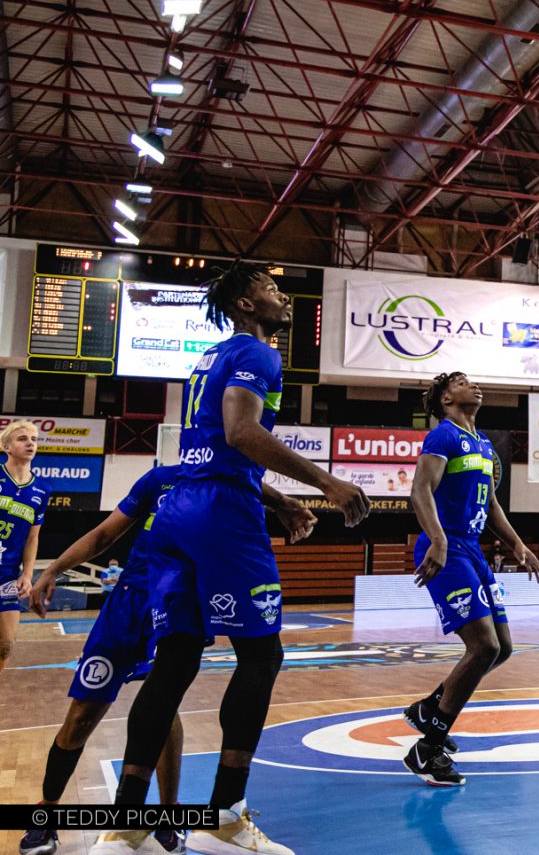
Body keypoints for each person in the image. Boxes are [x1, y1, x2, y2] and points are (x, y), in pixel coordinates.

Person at [107, 263, 370, 855]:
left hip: (180, 509)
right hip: (222, 517)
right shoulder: (259, 352)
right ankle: (224, 819)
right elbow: (241, 433)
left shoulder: (211, 357)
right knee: (261, 655)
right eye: (271, 289)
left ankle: (125, 825)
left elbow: (212, 450)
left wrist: (279, 500)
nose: (283, 297)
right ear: (246, 305)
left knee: (175, 661)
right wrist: (326, 483)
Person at [21, 466, 311, 855]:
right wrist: (54, 569)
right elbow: (104, 534)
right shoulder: (160, 480)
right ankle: (47, 813)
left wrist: (283, 501)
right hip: (130, 604)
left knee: (166, 698)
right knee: (83, 712)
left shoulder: (233, 486)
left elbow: (250, 481)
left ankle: (165, 815)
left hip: (178, 603)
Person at [401, 371, 539, 786]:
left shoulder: (482, 444)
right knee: (483, 646)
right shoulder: (443, 436)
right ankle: (428, 749)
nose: (474, 385)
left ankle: (430, 707)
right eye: (463, 382)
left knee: (503, 649)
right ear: (447, 399)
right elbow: (420, 490)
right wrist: (438, 539)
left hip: (473, 551)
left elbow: (491, 503)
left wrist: (517, 544)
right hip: (448, 548)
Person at [0, 419, 50, 674]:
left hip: (7, 575)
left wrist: (28, 574)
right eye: (22, 439)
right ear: (6, 447)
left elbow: (32, 538)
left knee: (5, 645)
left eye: (34, 439)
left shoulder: (42, 489)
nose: (30, 443)